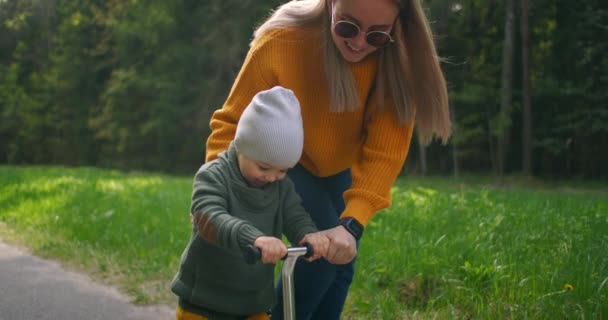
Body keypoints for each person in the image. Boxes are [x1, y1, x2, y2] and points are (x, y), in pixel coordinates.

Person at [205, 0, 451, 319]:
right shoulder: (283, 40)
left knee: (340, 264)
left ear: (396, 26)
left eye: (376, 35)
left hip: (338, 169)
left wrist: (352, 224)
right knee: (320, 260)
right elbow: (232, 123)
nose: (359, 42)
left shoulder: (396, 61)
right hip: (281, 163)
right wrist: (218, 193)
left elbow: (384, 153)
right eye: (347, 27)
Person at [171, 86, 330, 320]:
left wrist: (308, 234)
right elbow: (210, 217)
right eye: (264, 167)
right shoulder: (214, 175)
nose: (272, 177)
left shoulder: (280, 187)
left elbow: (294, 214)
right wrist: (254, 238)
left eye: (283, 170)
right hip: (204, 300)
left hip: (253, 302)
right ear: (243, 147)